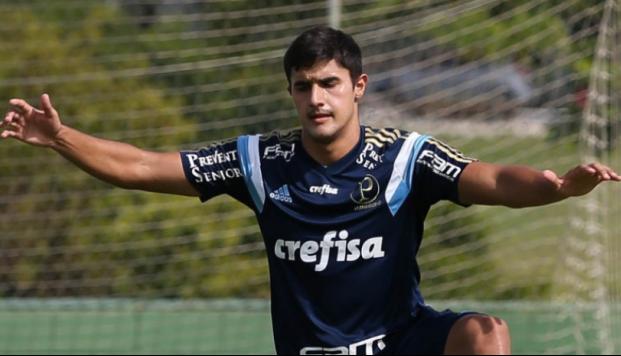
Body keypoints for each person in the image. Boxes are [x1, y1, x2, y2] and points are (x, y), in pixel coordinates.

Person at [1, 26, 619, 355]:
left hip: (401, 343)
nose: (316, 98)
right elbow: (139, 166)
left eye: (328, 83)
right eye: (303, 86)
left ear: (359, 86)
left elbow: (487, 179)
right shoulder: (260, 162)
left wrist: (556, 186)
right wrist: (61, 138)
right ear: (292, 93)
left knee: (484, 334)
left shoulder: (406, 157)